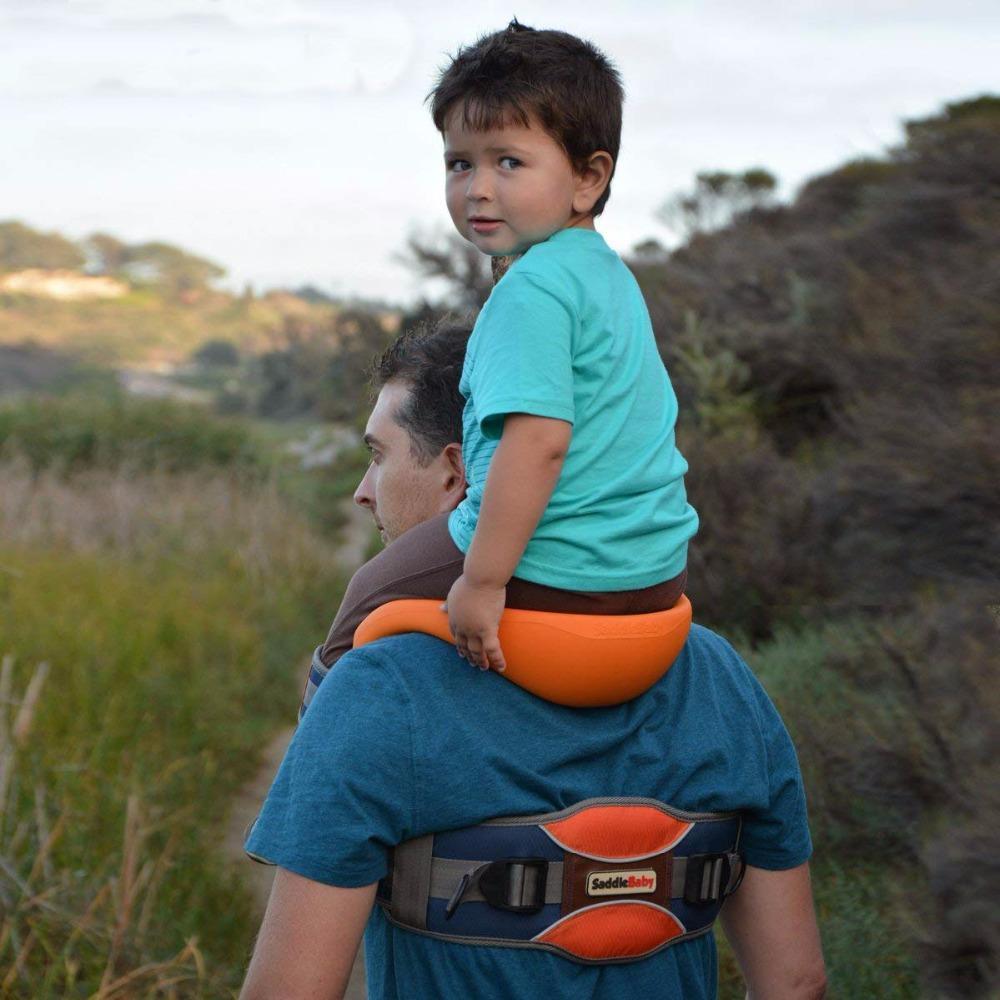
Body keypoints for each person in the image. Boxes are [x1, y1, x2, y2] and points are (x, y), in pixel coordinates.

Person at [241, 321, 827, 1000]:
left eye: (379, 454)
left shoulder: (382, 690)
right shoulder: (720, 678)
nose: (362, 490)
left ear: (458, 476)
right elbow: (798, 982)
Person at [316, 20, 698, 680]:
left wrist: (484, 583)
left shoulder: (533, 291)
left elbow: (538, 441)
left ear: (588, 178)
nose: (478, 188)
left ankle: (323, 755)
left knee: (366, 595)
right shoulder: (605, 275)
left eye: (509, 162)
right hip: (651, 583)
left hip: (570, 577)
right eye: (460, 163)